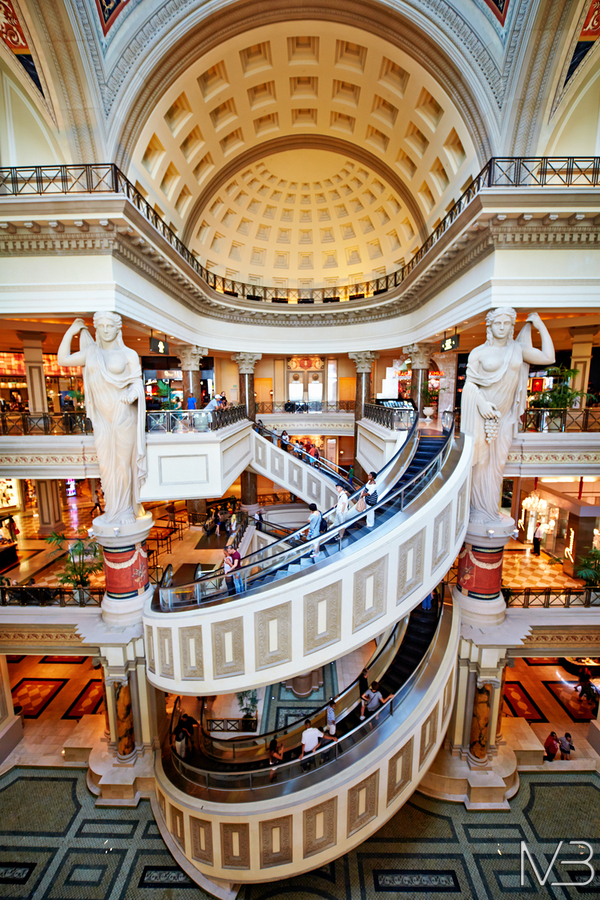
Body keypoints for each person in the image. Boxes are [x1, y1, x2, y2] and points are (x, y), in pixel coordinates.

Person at [460, 308, 554, 524]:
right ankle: (477, 510)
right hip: (481, 413)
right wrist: (482, 403)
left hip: (504, 418)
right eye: (497, 323)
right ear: (490, 326)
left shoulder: (517, 350)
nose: (502, 328)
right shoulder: (478, 353)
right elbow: (469, 385)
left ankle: (489, 510)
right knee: (480, 461)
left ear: (512, 326)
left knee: (498, 464)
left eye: (506, 323)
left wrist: (540, 326)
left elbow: (549, 357)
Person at [57, 313, 148, 525]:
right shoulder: (91, 353)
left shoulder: (129, 354)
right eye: (102, 326)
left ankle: (125, 509)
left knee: (123, 464)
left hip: (124, 415)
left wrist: (132, 394)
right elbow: (63, 359)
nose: (106, 330)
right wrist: (71, 332)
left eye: (110, 326)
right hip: (102, 420)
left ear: (118, 329)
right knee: (107, 465)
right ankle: (113, 509)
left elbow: (136, 382)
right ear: (97, 328)